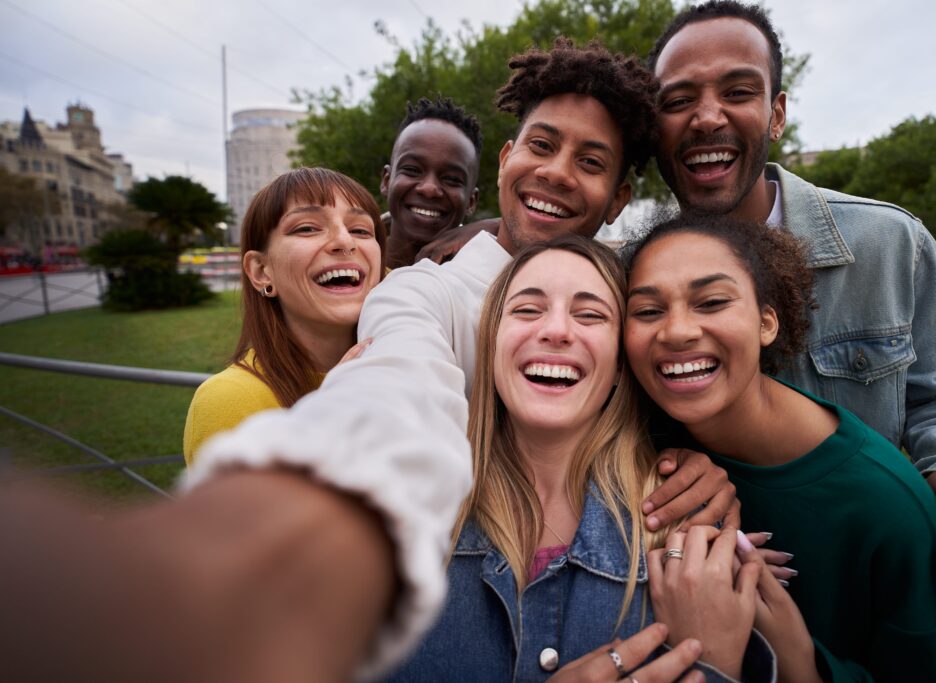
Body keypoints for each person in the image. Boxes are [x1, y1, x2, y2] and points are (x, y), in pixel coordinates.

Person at [188, 37, 744, 676]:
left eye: (590, 162)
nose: (557, 172)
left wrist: (699, 464)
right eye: (541, 145)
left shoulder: (634, 302)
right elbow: (398, 376)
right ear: (507, 159)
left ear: (618, 199)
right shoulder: (424, 290)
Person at [647, 0, 936, 628]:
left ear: (777, 113)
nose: (707, 116)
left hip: (877, 609)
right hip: (706, 621)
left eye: (738, 90)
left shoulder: (888, 244)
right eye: (678, 98)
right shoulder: (631, 273)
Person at [623, 214, 936, 681]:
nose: (677, 331)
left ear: (766, 323)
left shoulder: (889, 513)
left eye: (712, 301)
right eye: (647, 311)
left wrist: (801, 665)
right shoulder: (640, 440)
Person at [387, 235, 770, 682]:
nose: (556, 330)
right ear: (491, 344)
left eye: (590, 315)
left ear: (620, 365)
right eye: (527, 310)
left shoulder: (691, 528)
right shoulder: (400, 514)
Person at [182, 167, 385, 465]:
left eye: (361, 230)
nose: (345, 241)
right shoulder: (228, 401)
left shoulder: (409, 362)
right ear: (261, 272)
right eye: (307, 228)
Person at [380, 96, 482, 269]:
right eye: (412, 170)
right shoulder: (344, 264)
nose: (429, 189)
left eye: (451, 179)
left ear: (471, 201)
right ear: (387, 180)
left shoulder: (488, 283)